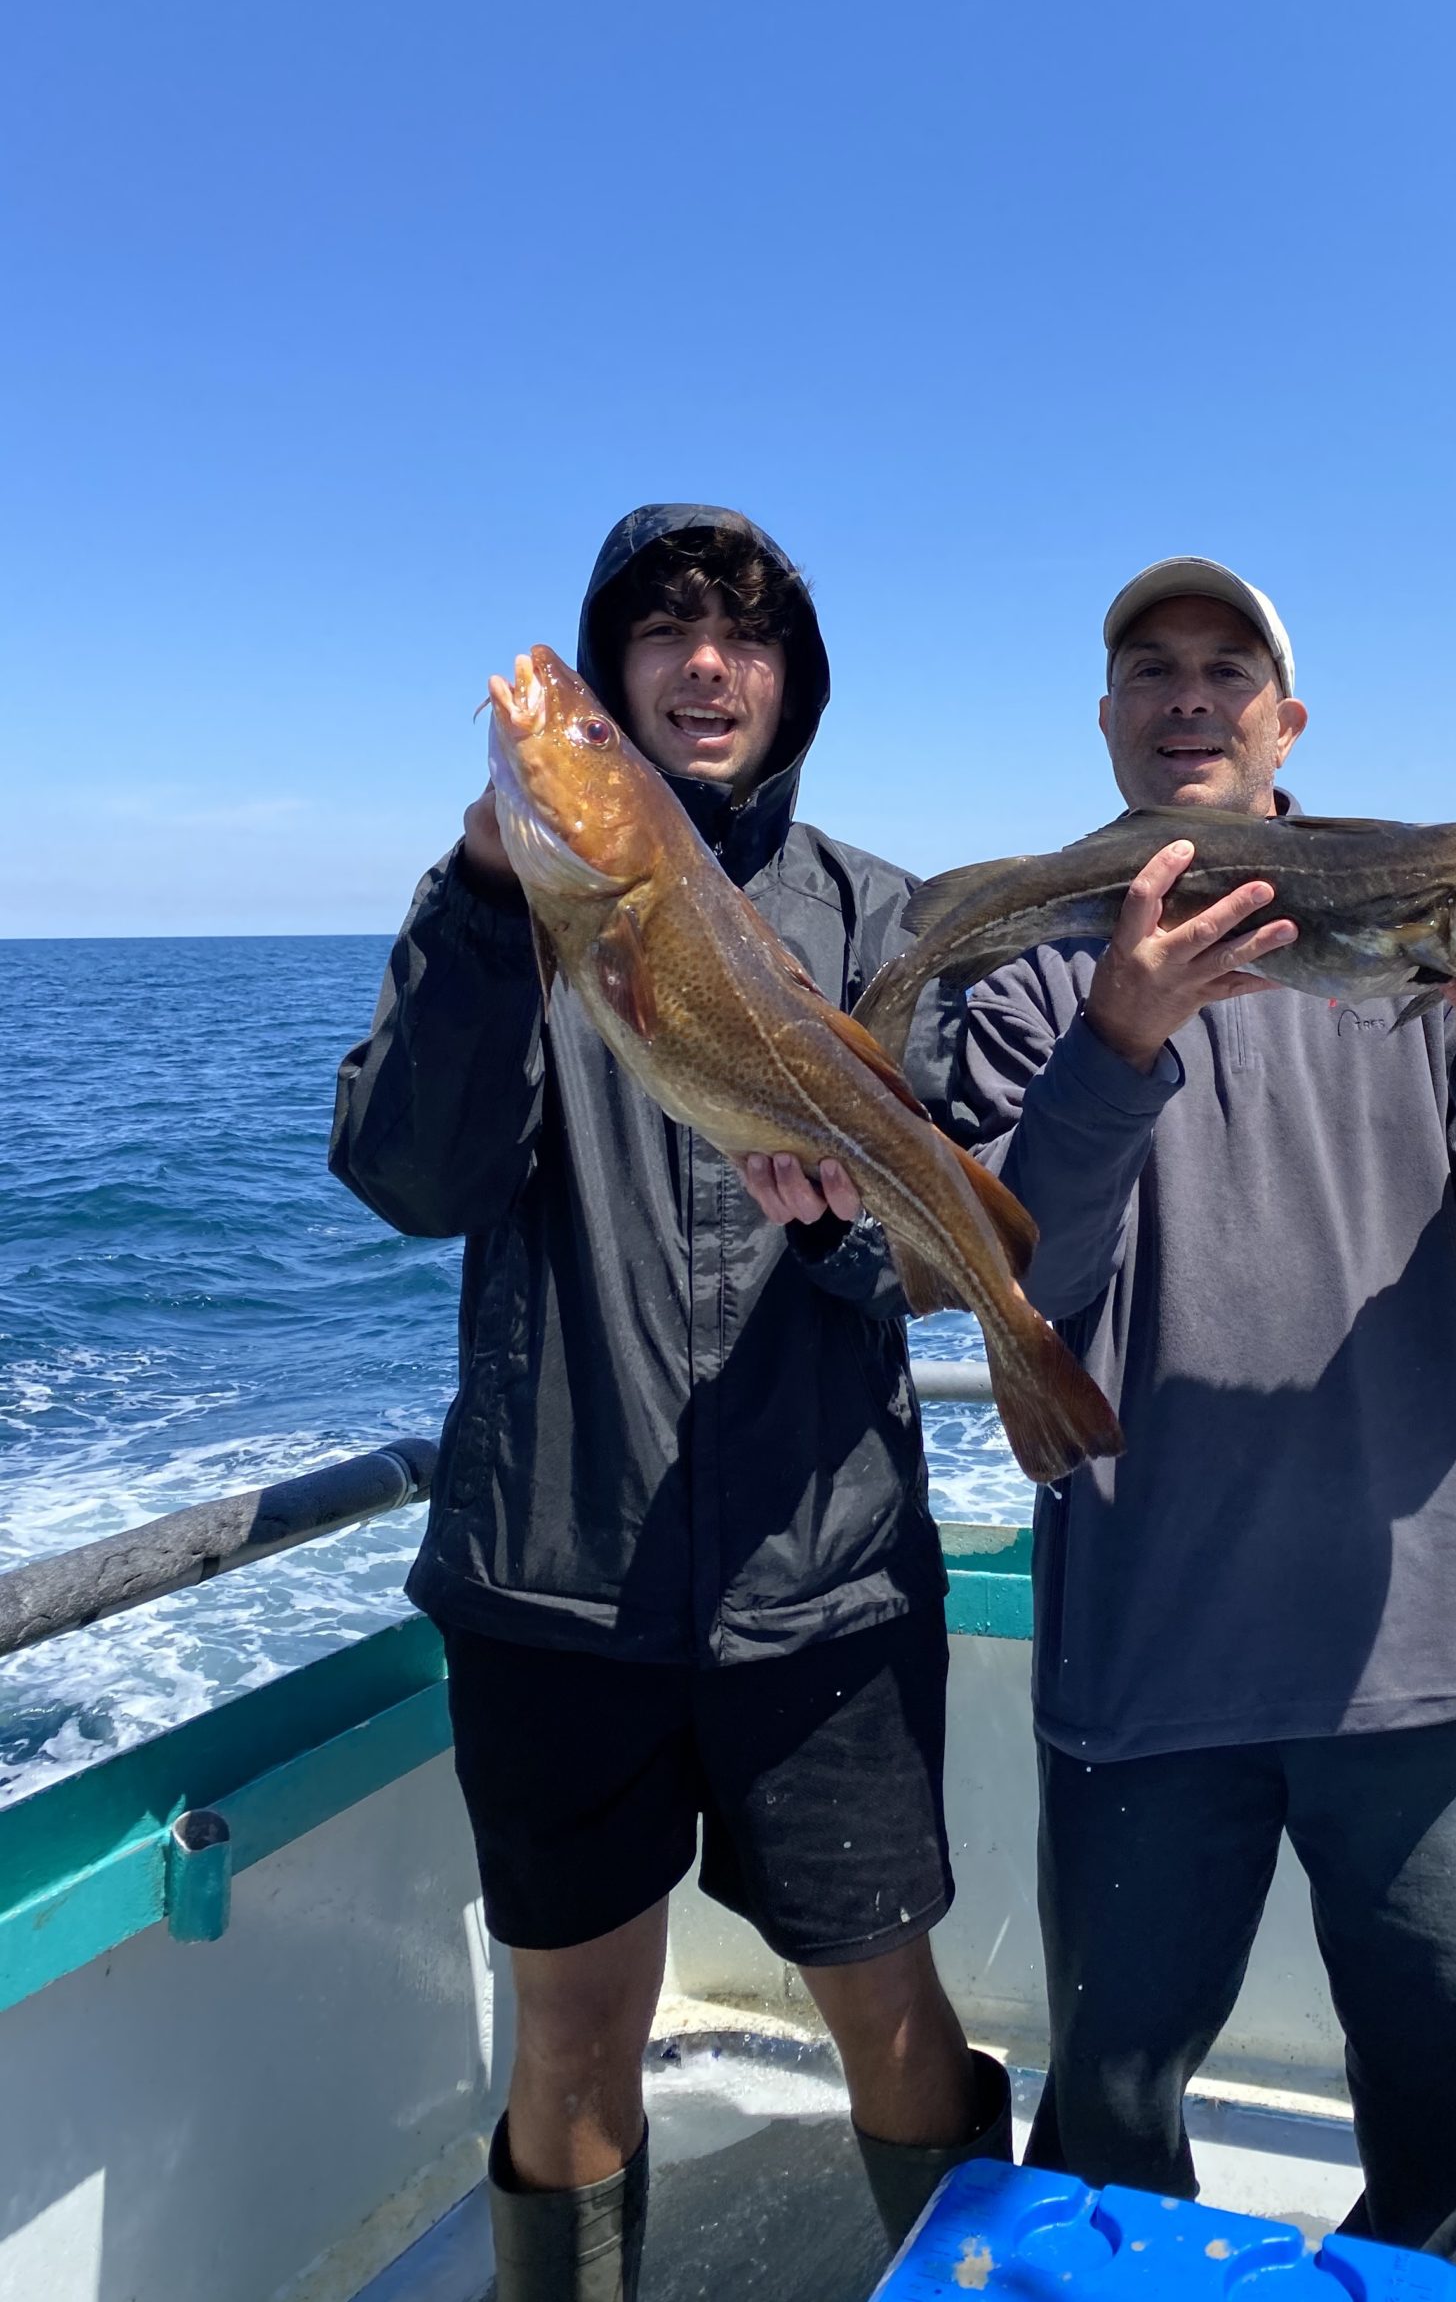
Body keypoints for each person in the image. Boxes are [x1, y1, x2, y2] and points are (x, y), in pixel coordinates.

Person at [330, 505, 1009, 2302]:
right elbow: (411, 1174)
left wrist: (857, 1231)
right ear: (617, 695)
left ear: (794, 686)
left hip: (825, 1580)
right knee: (571, 2040)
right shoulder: (502, 910)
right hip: (559, 1583)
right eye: (660, 637)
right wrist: (490, 901)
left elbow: (921, 1258)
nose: (706, 664)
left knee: (892, 2005)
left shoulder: (883, 916)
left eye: (749, 637)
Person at [957, 556, 1456, 2301]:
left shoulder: (1440, 908)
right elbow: (1005, 1273)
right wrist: (1118, 1041)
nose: (1189, 695)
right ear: (1107, 718)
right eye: (1151, 669)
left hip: (1435, 1641)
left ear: (1287, 722)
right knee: (1111, 2123)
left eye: (1226, 671)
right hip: (1151, 1653)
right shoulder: (1038, 958)